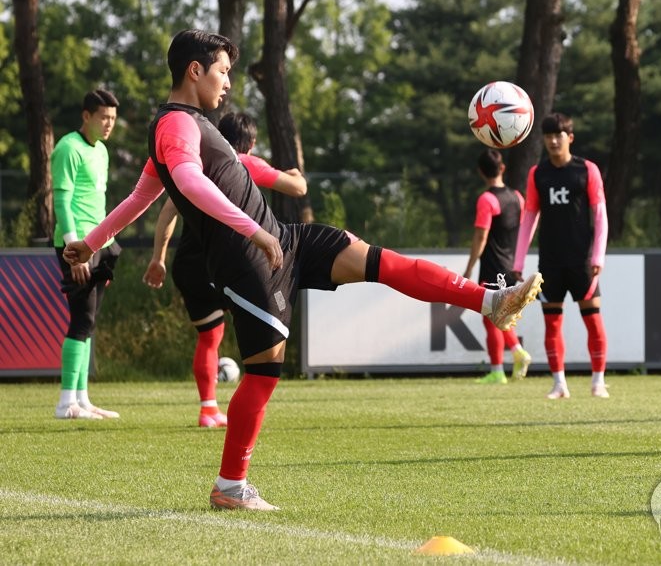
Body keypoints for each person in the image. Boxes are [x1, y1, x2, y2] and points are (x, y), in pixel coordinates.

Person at [63, 29, 542, 511]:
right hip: (248, 261)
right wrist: (254, 230)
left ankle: (490, 301)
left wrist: (89, 243)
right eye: (223, 72)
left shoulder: (183, 125)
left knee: (378, 260)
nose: (227, 83)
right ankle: (230, 487)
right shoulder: (176, 125)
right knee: (263, 375)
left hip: (285, 239)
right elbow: (185, 183)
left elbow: (138, 199)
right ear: (195, 69)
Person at [142, 111, 307, 428]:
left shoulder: (198, 162)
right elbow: (297, 188)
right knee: (259, 332)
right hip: (229, 263)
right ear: (252, 143)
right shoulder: (244, 162)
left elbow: (166, 214)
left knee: (209, 336)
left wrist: (158, 258)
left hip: (190, 264)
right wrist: (295, 173)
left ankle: (208, 409)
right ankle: (250, 402)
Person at [512, 112, 609, 399]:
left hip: (582, 262)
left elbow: (600, 214)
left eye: (559, 135)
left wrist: (598, 257)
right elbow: (529, 217)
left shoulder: (587, 170)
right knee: (552, 322)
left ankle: (598, 381)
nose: (554, 141)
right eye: (549, 136)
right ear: (543, 139)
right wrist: (518, 262)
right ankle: (559, 384)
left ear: (570, 138)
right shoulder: (537, 174)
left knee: (593, 320)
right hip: (550, 263)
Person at [51, 89, 122, 420]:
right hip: (76, 247)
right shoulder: (68, 147)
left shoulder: (103, 151)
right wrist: (73, 249)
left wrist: (106, 244)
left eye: (112, 119)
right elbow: (63, 202)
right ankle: (66, 403)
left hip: (101, 246)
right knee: (81, 320)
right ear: (86, 116)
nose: (108, 124)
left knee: (89, 321)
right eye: (103, 118)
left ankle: (82, 399)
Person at [463, 149, 532, 384]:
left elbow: (481, 237)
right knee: (501, 315)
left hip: (493, 266)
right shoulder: (517, 197)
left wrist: (470, 266)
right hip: (511, 266)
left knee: (490, 315)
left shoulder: (487, 200)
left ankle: (498, 370)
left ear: (481, 172)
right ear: (502, 168)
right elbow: (522, 232)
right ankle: (516, 353)